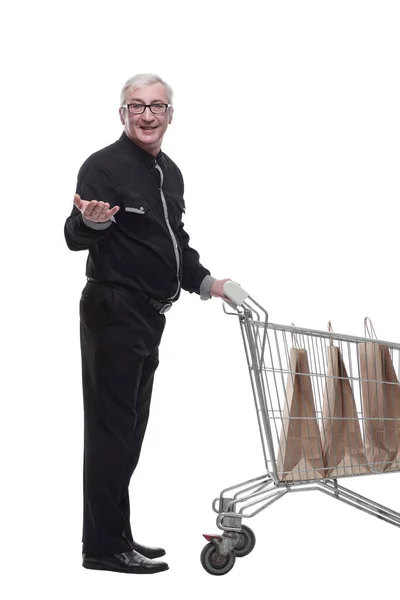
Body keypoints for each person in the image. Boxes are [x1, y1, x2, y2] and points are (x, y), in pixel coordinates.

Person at [64, 73, 233, 575]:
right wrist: (91, 223)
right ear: (122, 115)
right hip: (114, 310)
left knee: (130, 431)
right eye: (136, 106)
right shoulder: (102, 166)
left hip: (149, 318)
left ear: (170, 115)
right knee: (111, 431)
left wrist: (207, 282)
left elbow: (174, 242)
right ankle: (103, 547)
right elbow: (75, 234)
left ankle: (116, 535)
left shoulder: (170, 173)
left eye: (157, 106)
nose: (147, 115)